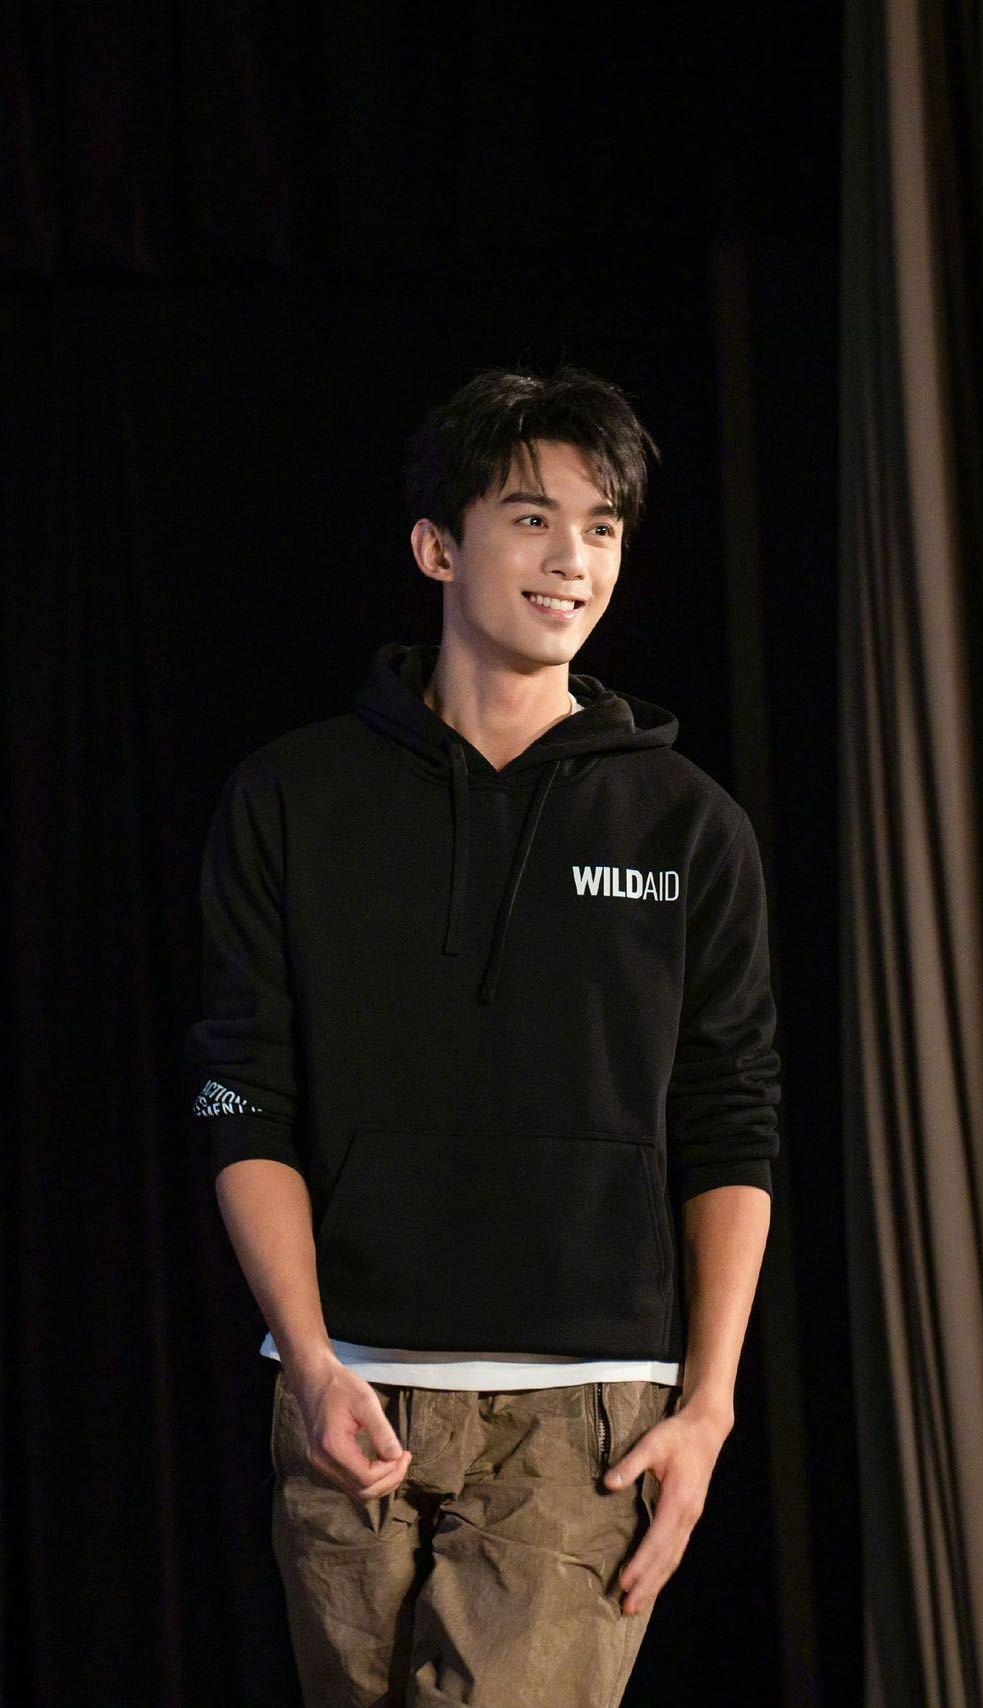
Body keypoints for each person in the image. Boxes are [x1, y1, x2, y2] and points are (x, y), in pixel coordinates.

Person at [181, 362, 782, 1707]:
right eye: (531, 517)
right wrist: (312, 1361)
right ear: (436, 547)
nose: (573, 560)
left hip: (587, 1415)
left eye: (602, 527)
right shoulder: (292, 797)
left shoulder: (688, 824)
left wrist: (708, 1405)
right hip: (347, 1403)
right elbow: (241, 1090)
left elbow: (732, 1114)